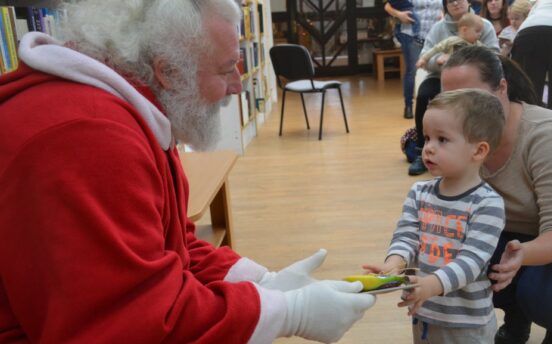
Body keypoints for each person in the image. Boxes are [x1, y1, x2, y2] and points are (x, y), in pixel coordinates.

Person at [0, 0, 376, 342]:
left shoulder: (128, 112)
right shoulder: (89, 140)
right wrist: (289, 313)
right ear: (168, 71)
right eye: (227, 68)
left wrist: (263, 282)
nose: (236, 86)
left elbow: (169, 244)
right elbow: (132, 320)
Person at [441, 45, 552, 344]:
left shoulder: (547, 135)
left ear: (502, 88)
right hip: (523, 230)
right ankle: (517, 320)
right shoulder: (464, 136)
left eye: (471, 97)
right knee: (458, 264)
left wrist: (520, 257)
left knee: (551, 299)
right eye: (450, 99)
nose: (460, 110)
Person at [363, 88, 506, 343]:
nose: (427, 148)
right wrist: (393, 264)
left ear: (479, 150)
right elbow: (406, 236)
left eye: (442, 140)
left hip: (467, 324)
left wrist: (430, 285)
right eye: (427, 138)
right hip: (424, 312)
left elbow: (472, 262)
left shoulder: (487, 203)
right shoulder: (419, 192)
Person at [409, 0, 499, 176]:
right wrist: (440, 61)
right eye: (450, 1)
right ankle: (422, 148)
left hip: (475, 78)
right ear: (445, 5)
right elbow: (427, 55)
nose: (456, 3)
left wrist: (471, 65)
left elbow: (494, 56)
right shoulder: (438, 28)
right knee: (423, 95)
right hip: (440, 76)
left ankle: (482, 148)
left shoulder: (483, 25)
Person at [385, 0, 443, 119]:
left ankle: (437, 106)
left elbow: (447, 6)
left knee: (438, 69)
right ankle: (408, 106)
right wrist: (399, 15)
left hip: (433, 35)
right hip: (411, 34)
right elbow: (388, 6)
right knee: (412, 71)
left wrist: (443, 14)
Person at [415, 13, 484, 68]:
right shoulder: (451, 41)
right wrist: (424, 59)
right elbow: (436, 49)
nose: (480, 34)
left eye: (481, 32)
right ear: (464, 30)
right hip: (451, 72)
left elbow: (489, 54)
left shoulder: (478, 45)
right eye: (477, 31)